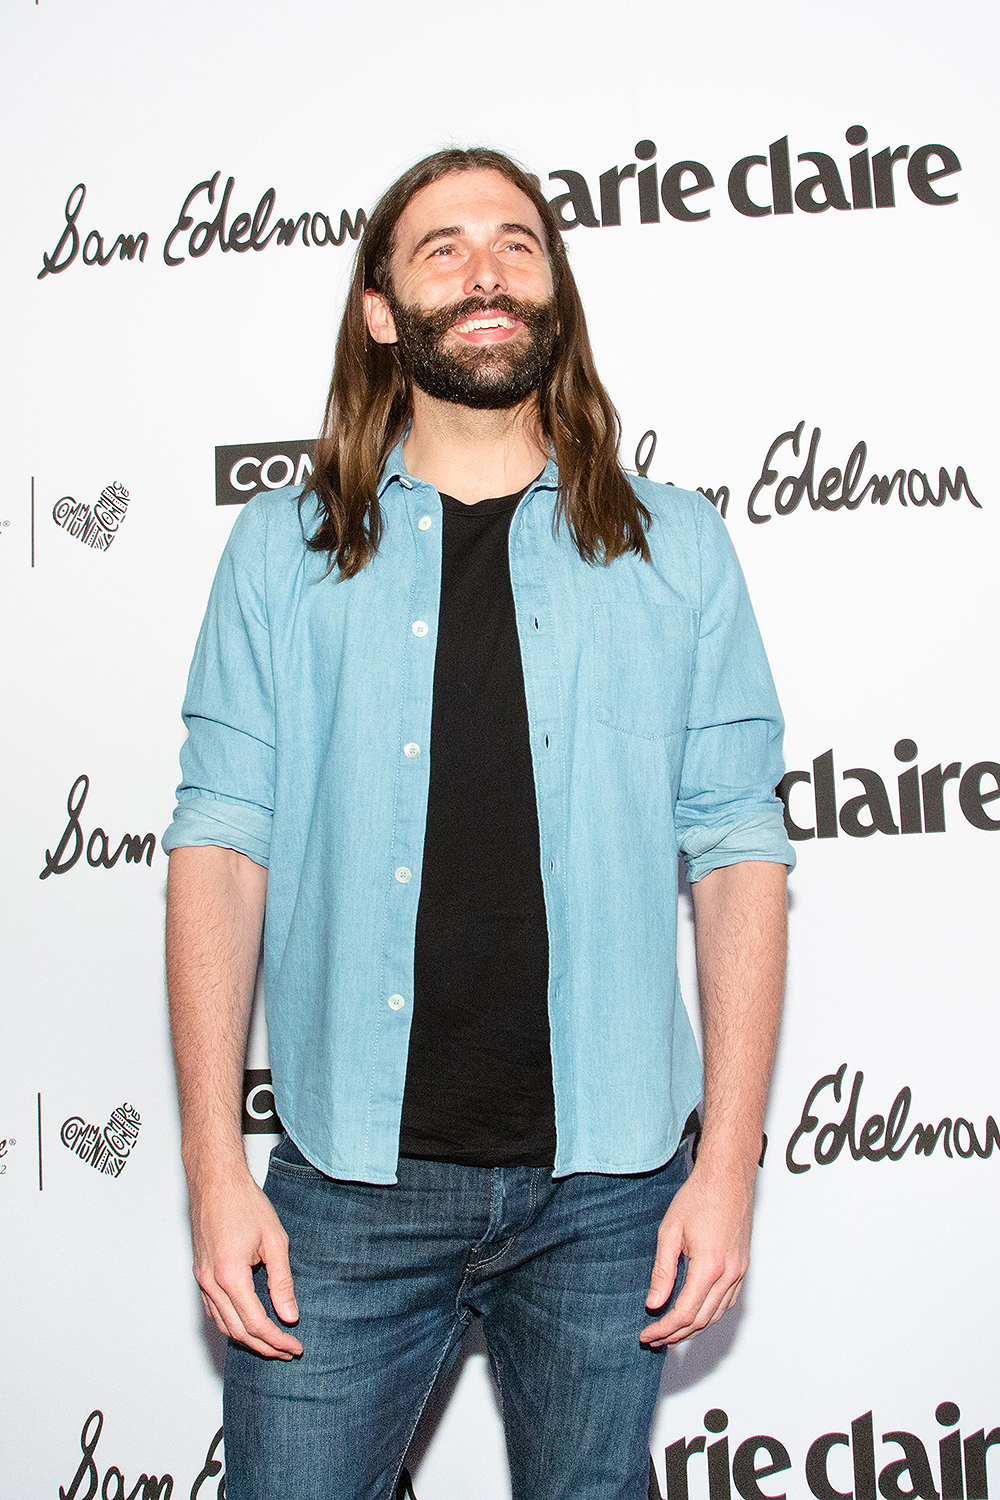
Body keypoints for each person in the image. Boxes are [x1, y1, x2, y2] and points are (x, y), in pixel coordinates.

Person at [163, 145, 795, 1500]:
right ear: (384, 309)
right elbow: (219, 853)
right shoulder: (284, 549)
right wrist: (215, 1173)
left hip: (613, 1187)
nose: (486, 269)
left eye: (517, 240)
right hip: (343, 1183)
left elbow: (740, 854)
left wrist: (728, 1166)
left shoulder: (676, 547)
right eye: (442, 246)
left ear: (553, 289)